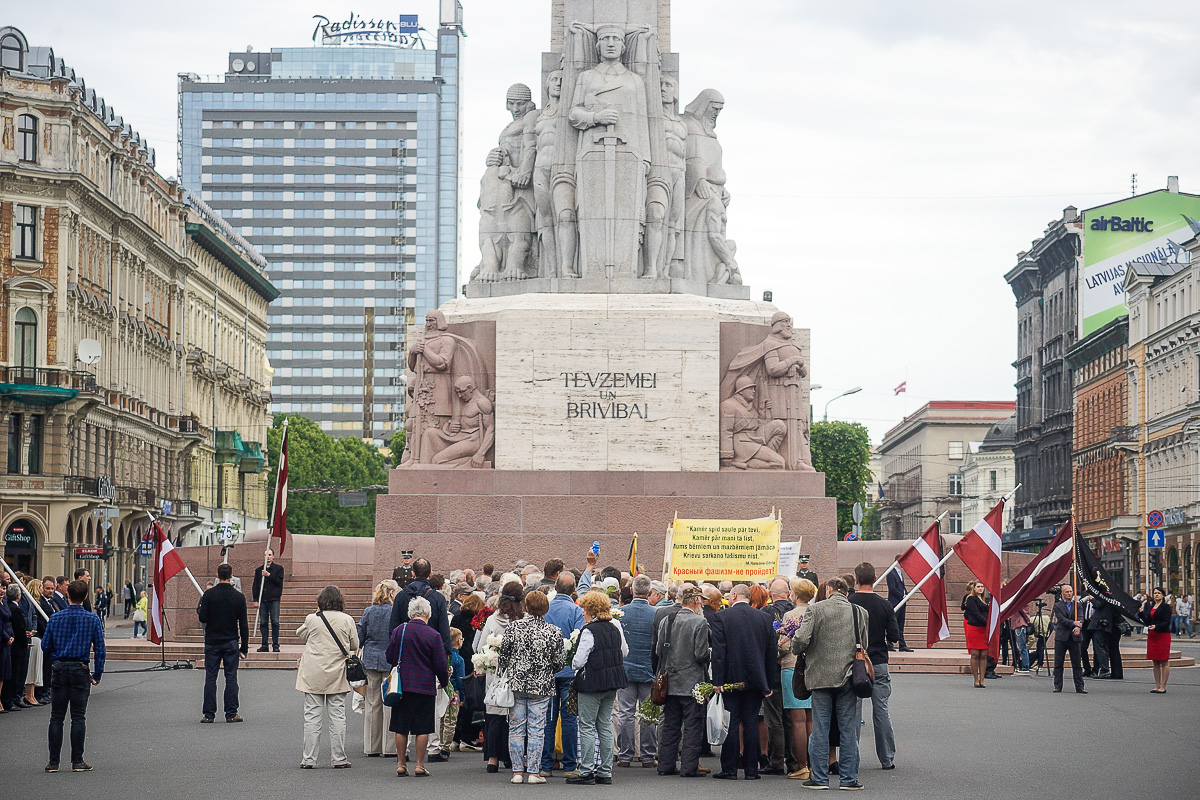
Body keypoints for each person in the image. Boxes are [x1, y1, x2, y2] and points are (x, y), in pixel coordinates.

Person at [793, 577, 870, 791]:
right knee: (848, 730)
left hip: (819, 677)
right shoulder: (859, 612)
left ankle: (819, 778)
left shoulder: (815, 610)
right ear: (846, 592)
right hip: (849, 677)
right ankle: (849, 779)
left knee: (820, 729)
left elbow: (801, 640)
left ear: (828, 590)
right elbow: (863, 645)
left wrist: (797, 648)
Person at [709, 583, 777, 780]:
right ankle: (751, 769)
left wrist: (718, 680)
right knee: (751, 722)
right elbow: (771, 653)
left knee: (731, 721)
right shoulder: (765, 618)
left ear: (735, 595)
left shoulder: (721, 617)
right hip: (757, 679)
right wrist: (768, 683)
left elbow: (719, 652)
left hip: (730, 678)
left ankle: (729, 768)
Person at [497, 587, 564, 784]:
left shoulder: (514, 628)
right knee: (537, 728)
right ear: (545, 609)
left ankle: (517, 771)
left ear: (526, 606)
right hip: (542, 686)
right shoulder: (553, 632)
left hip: (517, 684)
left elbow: (503, 658)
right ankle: (534, 772)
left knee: (516, 728)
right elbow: (559, 662)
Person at [391, 557, 452, 761]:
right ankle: (432, 750)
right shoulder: (437, 598)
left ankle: (403, 755)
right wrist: (445, 663)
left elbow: (392, 630)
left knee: (402, 718)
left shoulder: (401, 597)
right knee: (428, 715)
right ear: (431, 574)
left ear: (413, 574)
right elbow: (444, 633)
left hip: (404, 663)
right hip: (429, 663)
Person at [41, 579, 105, 772]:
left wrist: (57, 657)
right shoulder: (92, 619)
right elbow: (100, 650)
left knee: (56, 717)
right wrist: (98, 673)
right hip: (80, 667)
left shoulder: (55, 618)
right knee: (78, 717)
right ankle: (77, 760)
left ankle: (53, 762)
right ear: (85, 597)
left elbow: (45, 646)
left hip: (60, 667)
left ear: (68, 595)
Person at [295, 585, 360, 769]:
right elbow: (355, 643)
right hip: (337, 673)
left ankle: (308, 759)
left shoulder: (312, 619)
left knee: (312, 717)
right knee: (337, 716)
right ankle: (338, 758)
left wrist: (316, 614)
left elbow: (300, 635)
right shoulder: (347, 619)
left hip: (313, 673)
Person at [569, 590, 629, 785]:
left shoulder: (589, 630)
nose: (583, 612)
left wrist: (573, 664)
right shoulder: (615, 627)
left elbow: (578, 661)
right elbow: (624, 652)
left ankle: (586, 770)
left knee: (586, 726)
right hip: (612, 681)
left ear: (591, 610)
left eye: (585, 609)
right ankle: (605, 771)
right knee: (604, 724)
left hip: (592, 683)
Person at [387, 595, 450, 777]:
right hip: (424, 686)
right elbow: (439, 664)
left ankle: (401, 764)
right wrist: (444, 681)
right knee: (423, 727)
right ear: (427, 614)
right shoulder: (433, 635)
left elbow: (389, 656)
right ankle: (420, 765)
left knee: (401, 726)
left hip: (402, 685)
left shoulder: (399, 630)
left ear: (410, 613)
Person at [654, 584, 711, 778]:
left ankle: (665, 765)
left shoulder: (667, 620)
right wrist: (710, 654)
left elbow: (658, 650)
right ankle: (689, 767)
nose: (701, 603)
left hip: (669, 681)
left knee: (670, 725)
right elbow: (700, 654)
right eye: (701, 600)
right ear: (695, 601)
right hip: (692, 682)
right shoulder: (700, 622)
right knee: (693, 726)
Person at [849, 563, 900, 771]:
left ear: (856, 580)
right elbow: (895, 636)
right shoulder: (884, 604)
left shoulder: (849, 602)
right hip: (878, 662)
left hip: (854, 662)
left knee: (852, 711)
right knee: (881, 711)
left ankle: (851, 757)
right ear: (875, 578)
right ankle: (887, 758)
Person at [540, 571, 585, 778]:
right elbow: (578, 641)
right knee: (569, 719)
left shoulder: (545, 609)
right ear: (574, 589)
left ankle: (546, 765)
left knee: (548, 719)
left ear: (555, 586)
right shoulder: (576, 611)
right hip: (568, 672)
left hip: (548, 670)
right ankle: (569, 765)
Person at [196, 562, 250, 723]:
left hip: (212, 641)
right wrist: (244, 647)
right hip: (231, 641)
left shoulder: (209, 595)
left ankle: (208, 714)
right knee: (231, 677)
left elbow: (203, 618)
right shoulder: (238, 597)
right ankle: (231, 713)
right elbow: (244, 624)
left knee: (210, 678)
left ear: (217, 576)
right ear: (231, 576)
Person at [478, 581, 522, 773]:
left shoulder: (492, 620)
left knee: (495, 715)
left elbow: (480, 647)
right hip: (517, 673)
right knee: (516, 716)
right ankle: (512, 757)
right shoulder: (523, 619)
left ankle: (493, 759)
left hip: (496, 674)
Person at [615, 574, 657, 770]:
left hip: (626, 669)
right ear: (650, 592)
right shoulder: (657, 614)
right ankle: (648, 756)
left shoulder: (620, 612)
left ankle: (625, 754)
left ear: (631, 590)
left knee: (625, 713)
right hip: (649, 669)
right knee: (648, 714)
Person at [777, 578, 816, 780]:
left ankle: (801, 766)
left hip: (792, 668)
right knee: (811, 718)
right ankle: (813, 764)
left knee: (797, 720)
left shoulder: (790, 615)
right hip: (813, 669)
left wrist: (779, 645)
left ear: (796, 595)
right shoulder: (816, 612)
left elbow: (785, 646)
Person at [358, 580, 400, 758]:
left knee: (372, 703)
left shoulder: (369, 611)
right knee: (390, 702)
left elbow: (360, 635)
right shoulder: (395, 612)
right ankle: (390, 747)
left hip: (371, 659)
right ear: (391, 593)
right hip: (389, 660)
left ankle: (371, 746)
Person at [760, 577, 795, 775]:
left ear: (771, 594)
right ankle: (794, 761)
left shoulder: (765, 613)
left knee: (774, 719)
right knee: (792, 718)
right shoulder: (795, 612)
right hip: (793, 671)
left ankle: (775, 761)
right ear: (788, 593)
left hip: (772, 672)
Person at [451, 592, 484, 751]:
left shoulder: (456, 618)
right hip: (470, 663)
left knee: (457, 699)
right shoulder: (476, 622)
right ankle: (467, 738)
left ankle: (454, 738)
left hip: (456, 659)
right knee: (470, 701)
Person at [1052, 584, 1086, 694]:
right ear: (1062, 594)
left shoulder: (1078, 605)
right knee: (1058, 663)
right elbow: (1061, 619)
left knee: (1077, 663)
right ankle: (1058, 686)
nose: (1069, 593)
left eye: (1071, 591)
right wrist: (1073, 623)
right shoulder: (1058, 606)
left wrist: (1078, 627)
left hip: (1074, 638)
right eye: (1067, 592)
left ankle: (1079, 686)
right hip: (1062, 637)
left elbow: (1081, 617)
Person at [2, 584, 30, 712]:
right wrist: (24, 641)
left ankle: (10, 700)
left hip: (12, 640)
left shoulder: (9, 606)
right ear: (18, 596)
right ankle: (10, 700)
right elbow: (18, 627)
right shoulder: (15, 609)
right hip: (15, 645)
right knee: (13, 674)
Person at [253, 548, 285, 653]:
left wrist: (269, 575)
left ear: (273, 556)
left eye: (270, 555)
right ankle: (264, 644)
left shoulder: (278, 569)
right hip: (263, 600)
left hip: (274, 599)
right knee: (263, 622)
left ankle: (275, 645)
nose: (268, 557)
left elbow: (279, 583)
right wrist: (256, 600)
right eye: (266, 555)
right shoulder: (259, 570)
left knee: (275, 622)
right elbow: (256, 586)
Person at [1142, 587, 1172, 693]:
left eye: (1159, 593)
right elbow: (1147, 621)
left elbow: (1167, 621)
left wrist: (1156, 626)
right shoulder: (1150, 606)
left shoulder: (1166, 607)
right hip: (1152, 635)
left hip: (1163, 634)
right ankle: (1157, 685)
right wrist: (1141, 613)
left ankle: (1163, 686)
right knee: (1155, 661)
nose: (1156, 595)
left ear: (1163, 595)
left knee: (1164, 660)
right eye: (1155, 593)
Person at [962, 581, 989, 688]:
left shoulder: (986, 600)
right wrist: (987, 623)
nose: (980, 588)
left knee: (983, 655)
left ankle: (982, 679)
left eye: (982, 586)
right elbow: (975, 613)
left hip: (984, 629)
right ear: (974, 588)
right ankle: (976, 679)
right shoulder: (971, 599)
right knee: (975, 654)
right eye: (978, 587)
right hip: (974, 628)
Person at [24, 577, 46, 706]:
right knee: (31, 667)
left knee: (36, 667)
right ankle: (28, 694)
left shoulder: (38, 603)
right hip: (33, 637)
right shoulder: (30, 603)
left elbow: (34, 618)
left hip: (38, 638)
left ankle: (31, 694)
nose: (42, 590)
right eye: (41, 587)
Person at [885, 558, 913, 652]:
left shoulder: (899, 573)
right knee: (893, 622)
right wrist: (902, 595)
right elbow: (892, 588)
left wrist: (906, 594)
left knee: (901, 624)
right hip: (895, 602)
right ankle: (889, 644)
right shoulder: (891, 572)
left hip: (901, 602)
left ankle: (902, 645)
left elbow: (902, 586)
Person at [1009, 603, 1032, 674]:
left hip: (1019, 623)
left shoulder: (1021, 603)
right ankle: (1025, 665)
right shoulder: (1025, 602)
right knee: (1022, 646)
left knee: (1022, 646)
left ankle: (1025, 666)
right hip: (1020, 623)